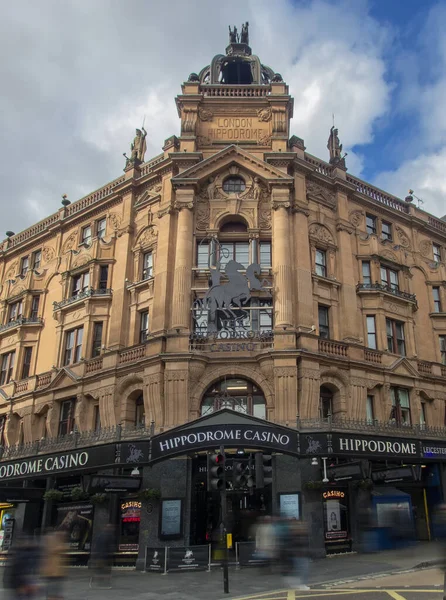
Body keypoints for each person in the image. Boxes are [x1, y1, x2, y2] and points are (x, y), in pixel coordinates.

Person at [40, 530, 67, 600]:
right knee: (52, 594)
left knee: (55, 593)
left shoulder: (58, 545)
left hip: (56, 574)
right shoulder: (52, 544)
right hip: (52, 574)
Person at [90, 524, 115, 589]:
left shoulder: (99, 535)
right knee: (106, 570)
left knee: (100, 570)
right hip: (106, 556)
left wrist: (94, 555)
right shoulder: (110, 536)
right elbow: (111, 547)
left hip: (99, 556)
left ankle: (100, 582)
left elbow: (95, 546)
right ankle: (105, 583)